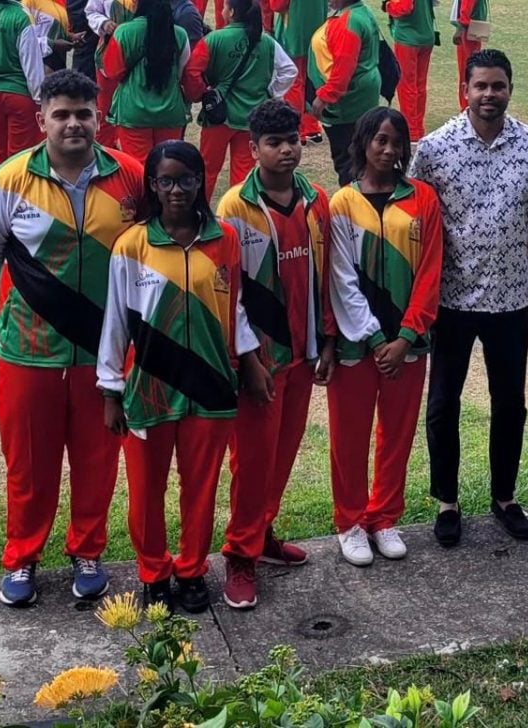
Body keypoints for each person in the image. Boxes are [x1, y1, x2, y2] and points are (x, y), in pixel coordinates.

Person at [0, 69, 145, 607]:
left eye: (83, 114)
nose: (73, 124)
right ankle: (22, 557)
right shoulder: (5, 181)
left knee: (97, 459)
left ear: (99, 117)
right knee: (29, 465)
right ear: (41, 118)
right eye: (61, 114)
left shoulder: (130, 175)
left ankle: (87, 550)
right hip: (28, 351)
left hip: (104, 353)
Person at [97, 139, 262, 612]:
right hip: (150, 388)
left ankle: (191, 571)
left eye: (186, 180)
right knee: (147, 493)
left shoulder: (225, 239)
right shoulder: (132, 245)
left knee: (201, 487)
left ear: (200, 182)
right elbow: (114, 322)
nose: (176, 190)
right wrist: (111, 390)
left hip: (210, 387)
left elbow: (237, 309)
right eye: (166, 180)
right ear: (152, 184)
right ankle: (153, 572)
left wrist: (249, 362)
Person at [410, 49, 528, 546]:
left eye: (498, 86)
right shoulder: (434, 149)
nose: (489, 95)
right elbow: (417, 225)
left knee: (510, 404)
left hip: (512, 298)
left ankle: (504, 497)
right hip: (451, 300)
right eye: (481, 86)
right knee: (443, 404)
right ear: (465, 91)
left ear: (510, 89)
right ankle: (447, 502)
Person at [216, 99, 334, 610]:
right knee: (253, 460)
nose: (286, 150)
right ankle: (239, 553)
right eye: (274, 143)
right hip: (260, 361)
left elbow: (326, 275)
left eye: (292, 140)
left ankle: (262, 535)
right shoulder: (234, 209)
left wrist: (326, 340)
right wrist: (248, 361)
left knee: (282, 454)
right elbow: (229, 292)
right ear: (253, 148)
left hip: (302, 355)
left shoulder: (315, 200)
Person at [327, 107, 442, 565]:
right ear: (363, 143)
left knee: (397, 433)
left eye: (396, 141)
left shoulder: (424, 200)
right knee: (349, 436)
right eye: (380, 139)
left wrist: (408, 336)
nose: (389, 149)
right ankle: (350, 522)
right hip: (359, 347)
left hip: (408, 347)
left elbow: (431, 273)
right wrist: (376, 341)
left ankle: (385, 515)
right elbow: (340, 280)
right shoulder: (342, 204)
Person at [183, 0, 296, 199]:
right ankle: (240, 214)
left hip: (219, 115)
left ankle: (200, 213)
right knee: (243, 172)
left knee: (207, 168)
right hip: (251, 118)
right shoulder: (266, 41)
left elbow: (192, 72)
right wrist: (271, 93)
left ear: (232, 12)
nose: (222, 10)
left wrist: (202, 94)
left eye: (225, 6)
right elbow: (289, 71)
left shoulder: (214, 39)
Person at [100, 0, 191, 161]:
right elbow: (183, 74)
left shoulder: (123, 32)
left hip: (132, 113)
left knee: (136, 168)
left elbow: (112, 73)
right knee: (167, 164)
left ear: (137, 4)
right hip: (171, 112)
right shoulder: (180, 34)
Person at [307, 0, 381, 185]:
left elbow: (343, 68)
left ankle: (353, 204)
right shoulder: (358, 12)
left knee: (348, 160)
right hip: (360, 94)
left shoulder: (349, 21)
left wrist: (324, 97)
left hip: (347, 103)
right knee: (358, 155)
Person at [0, 0, 47, 172]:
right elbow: (31, 64)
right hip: (20, 95)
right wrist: (41, 100)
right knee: (20, 157)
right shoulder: (22, 16)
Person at [269, 0, 325, 144]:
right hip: (318, 29)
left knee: (294, 81)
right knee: (312, 78)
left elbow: (277, 5)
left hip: (294, 32)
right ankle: (312, 126)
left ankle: (295, 128)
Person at [86, 0, 139, 149]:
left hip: (139, 57)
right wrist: (103, 23)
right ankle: (104, 155)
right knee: (105, 112)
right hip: (108, 56)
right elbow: (91, 12)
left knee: (134, 113)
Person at [385, 0, 435, 143]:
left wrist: (388, 6)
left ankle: (411, 130)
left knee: (407, 85)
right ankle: (418, 128)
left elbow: (404, 7)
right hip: (426, 34)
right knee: (419, 85)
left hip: (408, 38)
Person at [448, 0, 484, 111]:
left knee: (467, 70)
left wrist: (460, 29)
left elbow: (465, 9)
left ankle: (466, 107)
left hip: (468, 30)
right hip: (473, 27)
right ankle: (467, 106)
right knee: (469, 69)